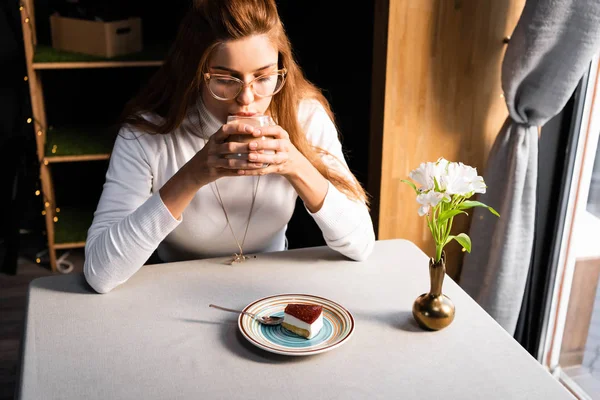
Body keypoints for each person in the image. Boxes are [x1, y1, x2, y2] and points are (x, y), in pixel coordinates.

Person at [83, 0, 375, 294]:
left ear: (281, 67)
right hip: (174, 288)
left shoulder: (305, 116)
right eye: (225, 79)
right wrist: (193, 175)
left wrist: (297, 166)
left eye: (263, 77)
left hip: (270, 290)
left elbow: (362, 243)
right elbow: (100, 273)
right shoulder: (146, 133)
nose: (246, 98)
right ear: (196, 73)